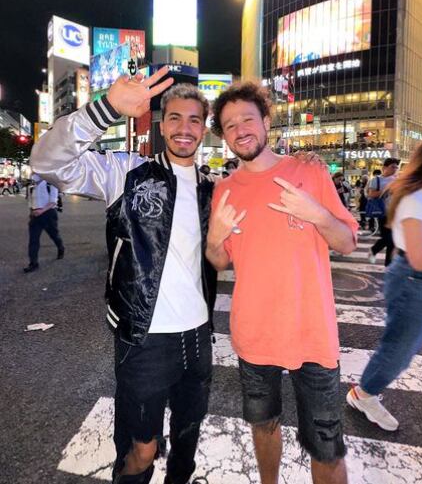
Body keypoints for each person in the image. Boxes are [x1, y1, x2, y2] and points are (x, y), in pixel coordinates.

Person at [31, 67, 216, 484]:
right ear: (161, 126)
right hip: (144, 339)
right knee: (139, 451)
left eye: (194, 120)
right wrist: (108, 108)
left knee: (186, 444)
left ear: (203, 129)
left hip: (198, 339)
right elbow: (46, 161)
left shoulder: (213, 188)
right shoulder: (126, 173)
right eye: (174, 118)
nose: (184, 128)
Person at [206, 82, 358, 484]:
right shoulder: (224, 191)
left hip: (312, 334)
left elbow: (346, 241)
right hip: (254, 334)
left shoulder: (309, 171)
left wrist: (317, 214)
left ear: (266, 120)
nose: (240, 130)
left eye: (247, 119)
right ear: (223, 136)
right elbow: (219, 260)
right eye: (229, 125)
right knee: (264, 425)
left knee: (326, 446)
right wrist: (214, 239)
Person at [347, 134, 422, 431]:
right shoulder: (415, 201)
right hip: (415, 281)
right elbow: (419, 259)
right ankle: (363, 394)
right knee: (399, 351)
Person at [23, 173, 65, 273]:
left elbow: (53, 201)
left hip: (48, 214)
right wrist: (32, 211)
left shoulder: (50, 182)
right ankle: (33, 263)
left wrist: (41, 211)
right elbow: (30, 201)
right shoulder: (31, 184)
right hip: (35, 215)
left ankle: (61, 247)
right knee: (33, 240)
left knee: (54, 235)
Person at [367, 158, 399, 265]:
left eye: (396, 167)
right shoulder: (376, 180)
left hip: (396, 212)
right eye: (392, 167)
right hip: (383, 212)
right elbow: (371, 194)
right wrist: (387, 189)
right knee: (389, 238)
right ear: (384, 167)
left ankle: (388, 266)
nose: (395, 169)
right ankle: (374, 250)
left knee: (393, 240)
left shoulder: (398, 180)